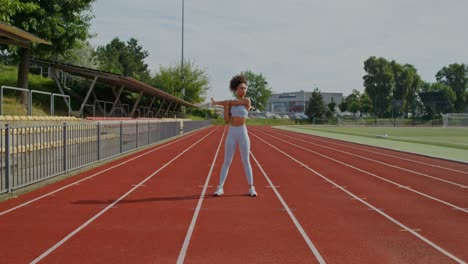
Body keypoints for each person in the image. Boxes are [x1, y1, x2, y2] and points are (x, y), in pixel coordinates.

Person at [211, 75, 257, 197]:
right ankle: (220, 187)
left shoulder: (247, 101)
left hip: (242, 132)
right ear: (236, 90)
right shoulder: (230, 104)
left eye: (245, 88)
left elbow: (233, 102)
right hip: (232, 132)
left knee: (246, 160)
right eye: (241, 88)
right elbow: (226, 120)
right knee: (227, 161)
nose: (244, 90)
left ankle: (251, 187)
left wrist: (217, 102)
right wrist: (225, 107)